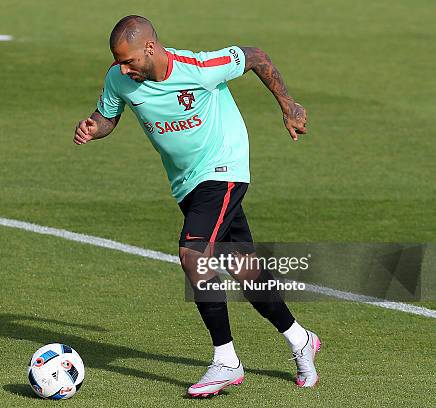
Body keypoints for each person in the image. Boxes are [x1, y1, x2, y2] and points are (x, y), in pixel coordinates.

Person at [73, 15, 320, 397]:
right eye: (118, 61)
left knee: (193, 252)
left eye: (129, 60)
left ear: (151, 48)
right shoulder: (118, 79)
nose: (122, 68)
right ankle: (301, 339)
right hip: (187, 183)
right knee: (243, 268)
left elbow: (255, 56)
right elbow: (107, 117)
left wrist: (288, 105)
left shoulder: (199, 68)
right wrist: (93, 128)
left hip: (224, 169)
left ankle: (226, 361)